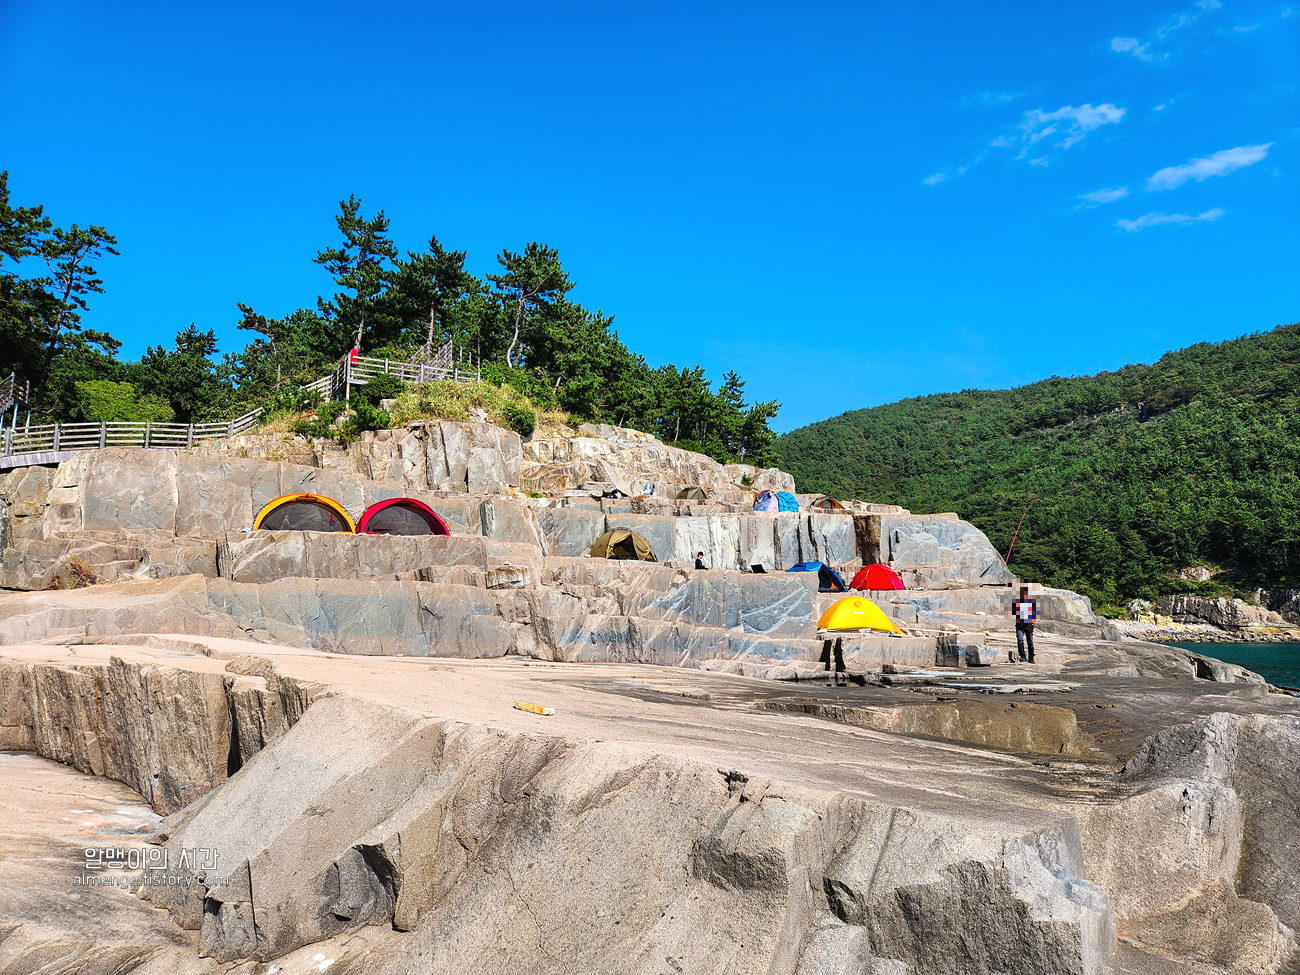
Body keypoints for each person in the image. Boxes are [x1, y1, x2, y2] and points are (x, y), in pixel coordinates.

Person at [1011, 586, 1036, 663]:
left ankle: (1031, 658)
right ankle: (1023, 656)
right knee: (1020, 640)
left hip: (1028, 625)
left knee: (1030, 642)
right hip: (1020, 625)